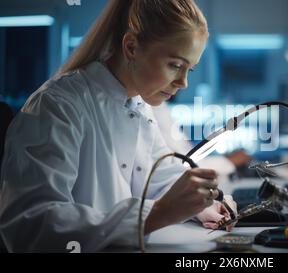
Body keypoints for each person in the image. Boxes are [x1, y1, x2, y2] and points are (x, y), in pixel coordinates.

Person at [0, 0, 236, 253]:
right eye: (175, 65)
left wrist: (201, 203)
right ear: (132, 47)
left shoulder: (139, 105)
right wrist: (155, 214)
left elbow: (159, 178)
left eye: (189, 68)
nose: (184, 83)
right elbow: (31, 226)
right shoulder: (57, 105)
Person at [152, 102, 252, 176]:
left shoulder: (160, 106)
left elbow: (186, 154)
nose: (183, 84)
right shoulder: (154, 107)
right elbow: (182, 165)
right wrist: (228, 162)